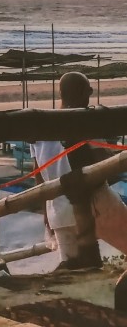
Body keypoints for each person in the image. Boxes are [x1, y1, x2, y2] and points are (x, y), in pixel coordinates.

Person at [30, 71, 127, 270]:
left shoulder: (38, 132)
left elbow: (38, 178)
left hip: (57, 209)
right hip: (97, 202)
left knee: (75, 270)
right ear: (84, 93)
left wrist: (45, 214)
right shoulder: (84, 123)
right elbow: (103, 166)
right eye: (89, 91)